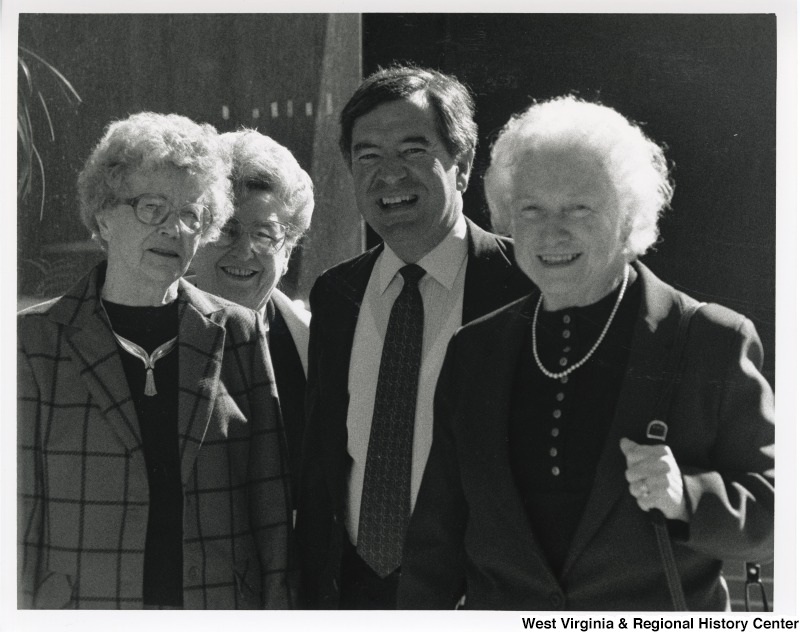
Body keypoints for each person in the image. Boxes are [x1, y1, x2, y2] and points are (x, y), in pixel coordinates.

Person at [397, 95, 775, 610]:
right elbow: (435, 544)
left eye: (579, 207)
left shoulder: (710, 339)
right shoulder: (475, 351)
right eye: (531, 209)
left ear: (628, 217)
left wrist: (688, 497)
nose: (552, 232)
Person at [18, 112, 293, 609]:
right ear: (103, 215)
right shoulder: (32, 341)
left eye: (192, 214)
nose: (174, 229)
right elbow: (16, 516)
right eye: (152, 208)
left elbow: (268, 502)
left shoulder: (240, 334)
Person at [295, 65, 533, 609]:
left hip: (481, 593)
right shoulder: (336, 295)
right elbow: (324, 461)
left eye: (412, 150)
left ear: (464, 163)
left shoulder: (526, 284)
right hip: (352, 593)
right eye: (368, 156)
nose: (389, 174)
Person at [192, 129, 314, 505]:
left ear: (288, 251)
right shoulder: (152, 332)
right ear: (198, 234)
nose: (244, 251)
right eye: (228, 230)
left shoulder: (314, 345)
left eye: (265, 234)